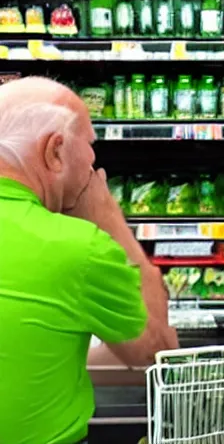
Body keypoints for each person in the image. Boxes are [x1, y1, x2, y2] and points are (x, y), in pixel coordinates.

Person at [0, 77, 179, 444]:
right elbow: (157, 352)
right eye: (92, 145)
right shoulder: (79, 249)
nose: (95, 162)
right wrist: (108, 218)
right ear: (55, 151)